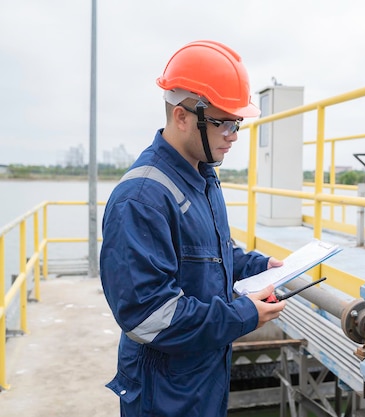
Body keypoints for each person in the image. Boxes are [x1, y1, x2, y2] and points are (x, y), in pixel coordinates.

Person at [99, 40, 286, 417]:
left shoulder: (203, 177)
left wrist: (258, 266)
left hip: (201, 378)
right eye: (225, 123)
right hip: (164, 393)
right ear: (182, 116)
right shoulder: (140, 198)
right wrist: (244, 315)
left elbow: (212, 254)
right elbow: (149, 316)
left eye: (239, 124)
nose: (233, 135)